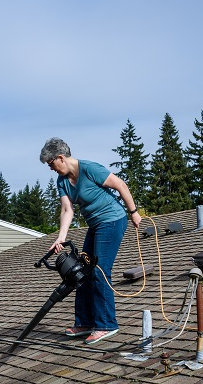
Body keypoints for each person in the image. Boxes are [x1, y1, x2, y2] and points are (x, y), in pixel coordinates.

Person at [40, 137, 141, 344]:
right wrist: (61, 237)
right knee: (82, 270)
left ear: (60, 157)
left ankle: (106, 324)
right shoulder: (62, 182)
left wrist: (134, 212)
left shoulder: (89, 168)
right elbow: (67, 210)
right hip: (95, 225)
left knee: (99, 269)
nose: (51, 169)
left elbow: (120, 185)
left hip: (113, 220)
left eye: (51, 164)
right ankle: (85, 322)